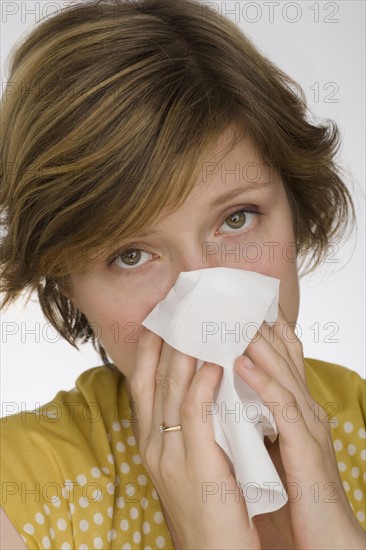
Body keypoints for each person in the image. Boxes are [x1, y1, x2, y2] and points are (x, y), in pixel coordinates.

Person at [0, 0, 364, 548]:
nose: (206, 297)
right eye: (131, 254)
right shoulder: (23, 490)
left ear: (295, 205)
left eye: (236, 219)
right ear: (67, 284)